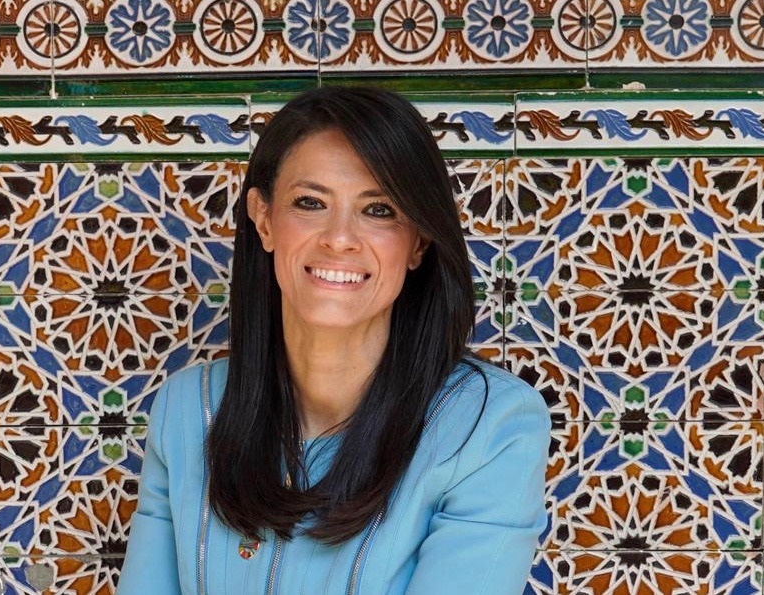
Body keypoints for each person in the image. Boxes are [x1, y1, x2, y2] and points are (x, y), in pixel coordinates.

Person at [117, 86, 550, 595]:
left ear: (418, 241)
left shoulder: (491, 426)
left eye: (379, 210)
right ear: (264, 219)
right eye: (310, 202)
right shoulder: (188, 409)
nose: (340, 238)